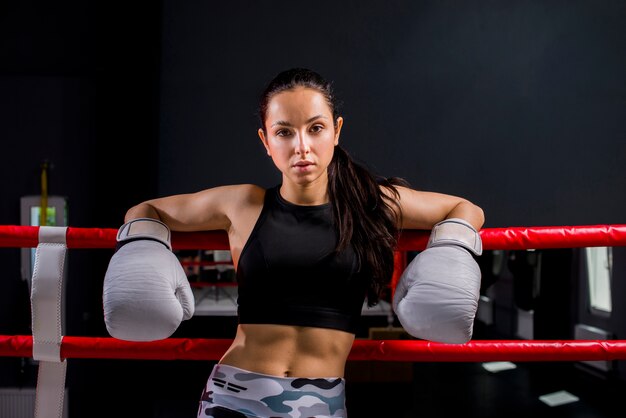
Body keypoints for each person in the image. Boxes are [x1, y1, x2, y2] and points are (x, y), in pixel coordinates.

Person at [102, 67, 485, 418]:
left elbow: (464, 209)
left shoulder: (373, 203)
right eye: (284, 132)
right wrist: (144, 245)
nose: (301, 146)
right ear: (266, 141)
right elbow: (145, 210)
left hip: (321, 403)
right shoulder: (242, 204)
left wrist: (451, 251)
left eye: (315, 128)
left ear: (336, 131)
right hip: (234, 395)